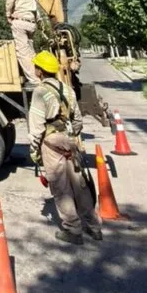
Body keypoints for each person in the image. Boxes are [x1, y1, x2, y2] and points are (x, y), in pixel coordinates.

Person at [29, 50, 102, 246]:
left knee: (61, 189)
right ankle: (94, 226)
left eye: (36, 66)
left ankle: (72, 229)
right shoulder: (67, 90)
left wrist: (34, 151)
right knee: (80, 185)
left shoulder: (40, 92)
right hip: (71, 141)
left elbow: (36, 127)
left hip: (51, 142)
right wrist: (72, 136)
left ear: (40, 71)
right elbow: (77, 120)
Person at [5, 0, 39, 84]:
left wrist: (8, 15)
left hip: (20, 22)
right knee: (30, 51)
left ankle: (33, 79)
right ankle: (38, 73)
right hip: (31, 24)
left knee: (22, 52)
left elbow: (9, 3)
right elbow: (36, 12)